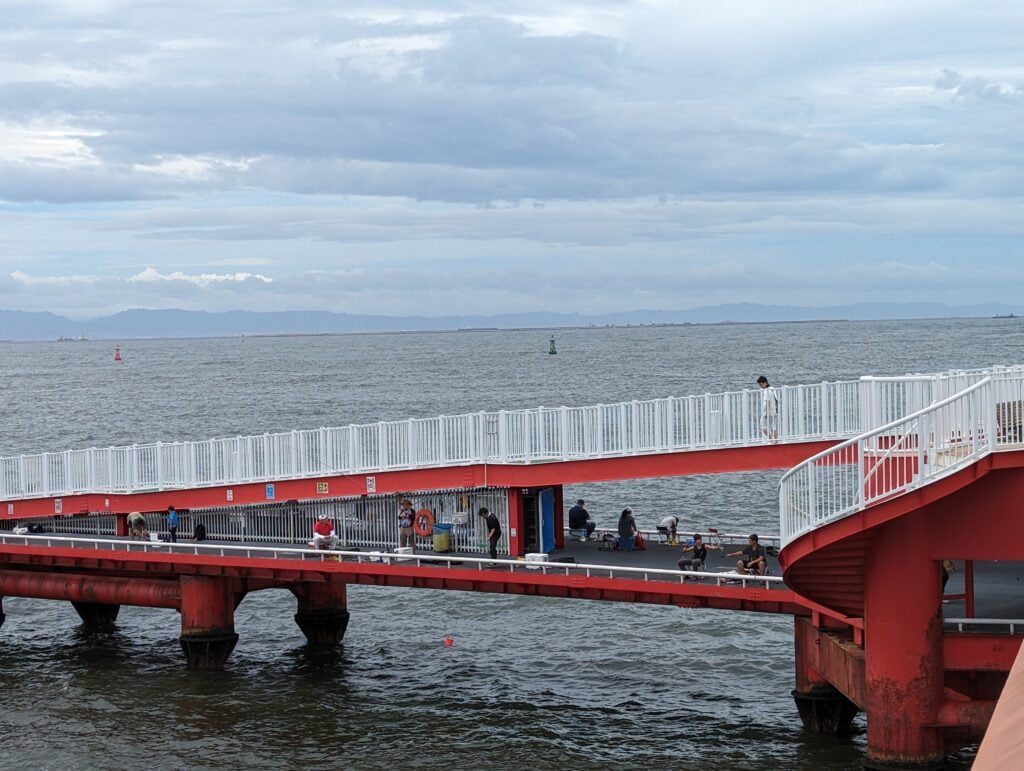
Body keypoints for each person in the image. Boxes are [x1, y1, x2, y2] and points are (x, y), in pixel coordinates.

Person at [757, 375, 779, 441]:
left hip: (768, 412)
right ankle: (775, 441)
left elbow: (767, 402)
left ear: (765, 383)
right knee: (773, 427)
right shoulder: (772, 389)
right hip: (774, 410)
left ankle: (771, 439)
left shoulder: (767, 391)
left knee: (763, 427)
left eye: (761, 384)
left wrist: (766, 413)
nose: (760, 386)